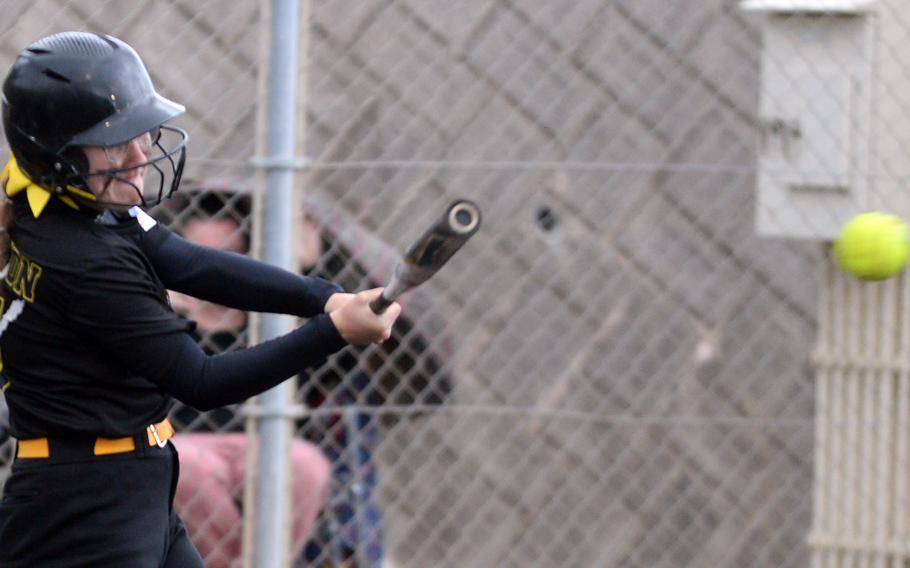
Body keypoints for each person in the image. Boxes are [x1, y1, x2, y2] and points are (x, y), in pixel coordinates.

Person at [0, 31, 399, 568]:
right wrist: (333, 333)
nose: (141, 155)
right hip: (82, 514)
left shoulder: (78, 201)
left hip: (131, 485)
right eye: (116, 143)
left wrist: (325, 298)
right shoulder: (84, 261)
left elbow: (188, 262)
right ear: (60, 156)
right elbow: (203, 382)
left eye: (140, 134)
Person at [161, 192, 333, 568]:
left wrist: (311, 266)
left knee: (307, 463)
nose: (210, 269)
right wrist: (164, 308)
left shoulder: (271, 317)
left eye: (227, 254)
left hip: (259, 440)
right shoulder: (161, 315)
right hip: (185, 440)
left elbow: (345, 353)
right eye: (199, 255)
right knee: (189, 465)